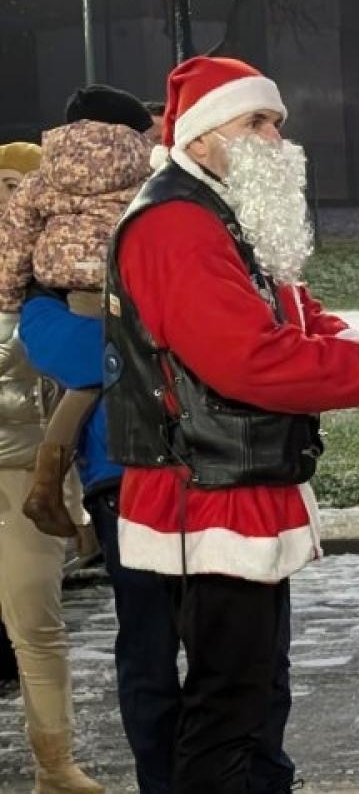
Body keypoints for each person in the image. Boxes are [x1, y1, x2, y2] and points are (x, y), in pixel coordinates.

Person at [103, 56, 359, 793]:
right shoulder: (176, 224)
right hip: (205, 494)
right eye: (256, 122)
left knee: (256, 693)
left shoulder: (222, 211)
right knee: (230, 705)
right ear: (200, 137)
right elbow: (246, 358)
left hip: (233, 482)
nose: (276, 138)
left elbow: (293, 312)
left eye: (277, 123)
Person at [0, 85, 155, 539]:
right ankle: (57, 486)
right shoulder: (146, 173)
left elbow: (15, 242)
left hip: (65, 291)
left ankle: (51, 479)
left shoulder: (42, 177)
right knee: (109, 371)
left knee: (91, 377)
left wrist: (8, 302)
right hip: (122, 289)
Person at [0, 143, 102, 793]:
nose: (10, 200)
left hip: (22, 469)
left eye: (23, 188)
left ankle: (54, 765)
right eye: (5, 184)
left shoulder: (58, 275)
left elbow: (80, 372)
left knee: (35, 619)